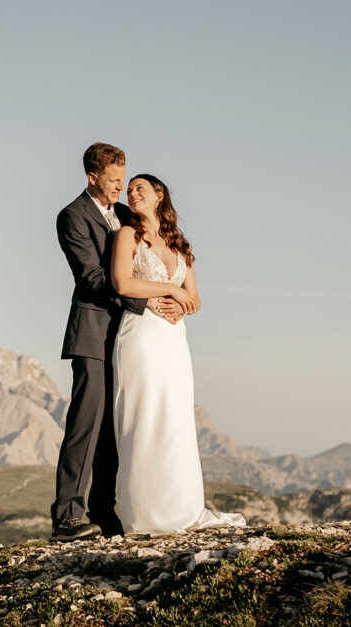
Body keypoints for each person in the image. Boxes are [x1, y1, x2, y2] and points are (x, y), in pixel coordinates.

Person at [51, 143, 184, 542]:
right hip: (93, 332)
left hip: (130, 338)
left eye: (123, 180)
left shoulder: (126, 216)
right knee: (85, 424)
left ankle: (103, 512)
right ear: (92, 177)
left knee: (115, 427)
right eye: (112, 181)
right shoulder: (72, 217)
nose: (120, 188)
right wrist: (149, 300)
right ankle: (67, 517)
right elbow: (91, 278)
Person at [110, 173, 246, 533]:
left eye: (140, 188)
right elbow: (122, 282)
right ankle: (144, 515)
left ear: (159, 196)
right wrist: (171, 290)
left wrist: (181, 306)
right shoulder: (127, 235)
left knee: (176, 420)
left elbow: (194, 297)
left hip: (173, 338)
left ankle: (181, 509)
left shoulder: (179, 243)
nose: (131, 193)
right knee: (145, 417)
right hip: (140, 335)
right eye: (129, 189)